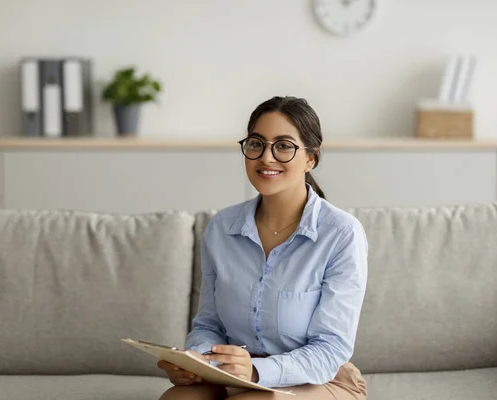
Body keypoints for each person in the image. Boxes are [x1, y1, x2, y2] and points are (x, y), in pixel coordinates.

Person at [158, 96, 369, 399]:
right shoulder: (222, 228)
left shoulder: (341, 234)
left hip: (319, 380)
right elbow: (209, 324)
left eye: (283, 146)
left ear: (311, 157)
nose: (266, 157)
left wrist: (257, 371)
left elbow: (330, 349)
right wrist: (197, 361)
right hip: (236, 375)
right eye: (256, 143)